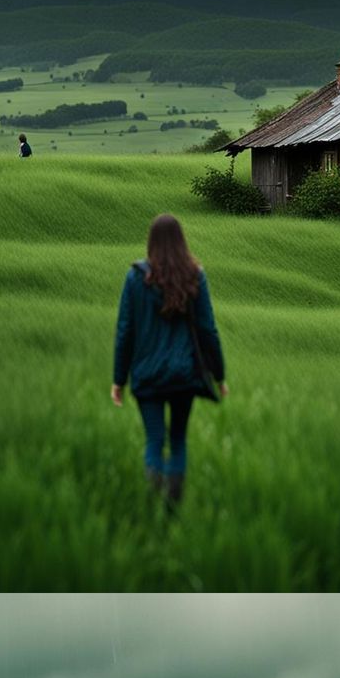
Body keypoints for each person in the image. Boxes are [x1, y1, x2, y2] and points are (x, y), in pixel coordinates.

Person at [112, 213, 227, 508]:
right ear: (181, 241)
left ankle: (153, 504)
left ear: (151, 241)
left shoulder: (136, 278)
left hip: (147, 374)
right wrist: (219, 374)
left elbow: (125, 330)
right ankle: (172, 508)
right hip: (183, 374)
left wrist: (119, 379)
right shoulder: (194, 275)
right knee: (177, 440)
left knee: (154, 441)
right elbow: (207, 329)